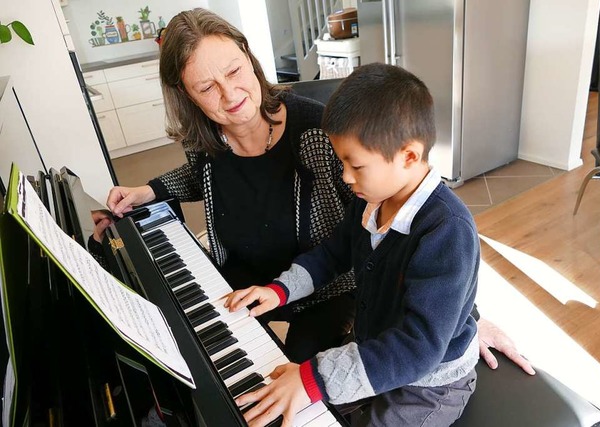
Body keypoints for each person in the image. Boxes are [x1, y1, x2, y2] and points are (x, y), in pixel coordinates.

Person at [94, 8, 534, 374]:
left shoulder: (318, 136)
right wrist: (147, 191)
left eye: (234, 71)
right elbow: (201, 178)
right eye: (207, 88)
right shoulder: (205, 141)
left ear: (249, 58)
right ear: (186, 97)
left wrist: (466, 318)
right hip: (245, 286)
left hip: (322, 294)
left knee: (283, 384)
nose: (230, 95)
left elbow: (404, 223)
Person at [225, 63, 479, 427]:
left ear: (408, 155)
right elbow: (333, 253)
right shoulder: (370, 199)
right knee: (292, 404)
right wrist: (279, 291)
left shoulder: (447, 231)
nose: (345, 176)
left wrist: (313, 379)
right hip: (376, 350)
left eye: (355, 165)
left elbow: (418, 346)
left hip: (431, 381)